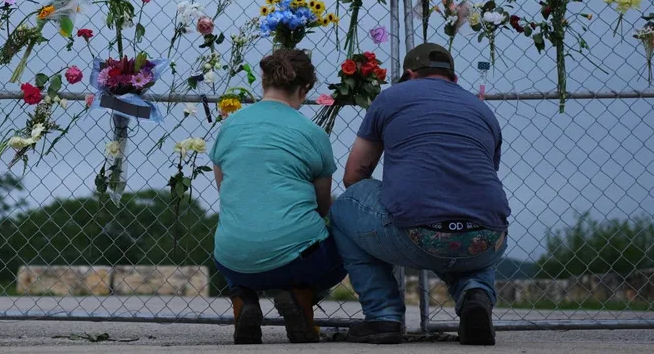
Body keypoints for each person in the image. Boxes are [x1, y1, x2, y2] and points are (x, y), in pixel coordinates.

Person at [330, 43, 510, 346]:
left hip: (416, 235)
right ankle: (474, 294)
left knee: (345, 205)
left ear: (411, 75)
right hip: (488, 240)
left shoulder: (391, 98)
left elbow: (354, 176)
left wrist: (393, 196)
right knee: (472, 213)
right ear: (453, 78)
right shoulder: (481, 109)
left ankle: (382, 315)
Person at [210, 49, 346, 344]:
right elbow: (323, 206)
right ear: (304, 88)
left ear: (264, 82)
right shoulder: (313, 134)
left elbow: (226, 191)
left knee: (240, 228)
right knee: (345, 243)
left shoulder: (228, 127)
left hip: (233, 259)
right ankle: (300, 294)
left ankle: (242, 298)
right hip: (296, 261)